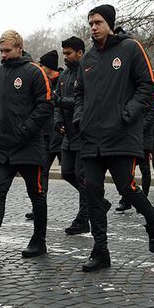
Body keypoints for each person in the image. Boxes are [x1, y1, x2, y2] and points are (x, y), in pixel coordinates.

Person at [74, 4, 154, 272]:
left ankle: (153, 220)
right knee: (91, 190)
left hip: (121, 134)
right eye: (90, 23)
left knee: (126, 187)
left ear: (110, 24)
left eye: (98, 22)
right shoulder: (88, 59)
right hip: (91, 136)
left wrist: (127, 113)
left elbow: (147, 86)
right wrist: (80, 118)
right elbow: (79, 94)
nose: (93, 27)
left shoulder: (130, 49)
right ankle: (100, 250)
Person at [0, 30, 53, 261]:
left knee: (36, 194)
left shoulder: (34, 72)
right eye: (1, 51)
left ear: (19, 47)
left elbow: (45, 106)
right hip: (3, 148)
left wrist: (25, 130)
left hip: (29, 147)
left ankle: (39, 240)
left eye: (7, 50)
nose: (4, 55)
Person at [54, 36, 106, 235]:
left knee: (81, 175)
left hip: (83, 133)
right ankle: (99, 200)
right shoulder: (64, 75)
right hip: (68, 135)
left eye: (69, 53)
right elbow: (58, 103)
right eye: (64, 53)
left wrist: (60, 102)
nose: (65, 57)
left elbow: (83, 101)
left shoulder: (87, 72)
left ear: (80, 53)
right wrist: (58, 120)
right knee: (67, 173)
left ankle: (83, 218)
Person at [25, 49, 63, 221]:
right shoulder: (41, 81)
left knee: (73, 174)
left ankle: (94, 204)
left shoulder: (62, 80)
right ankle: (39, 207)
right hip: (47, 135)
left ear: (49, 67)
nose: (39, 67)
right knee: (42, 173)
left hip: (62, 135)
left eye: (42, 65)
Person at [116, 84, 154, 212]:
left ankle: (143, 200)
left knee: (144, 168)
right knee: (127, 169)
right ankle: (126, 200)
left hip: (144, 136)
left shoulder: (149, 90)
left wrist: (141, 125)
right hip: (129, 135)